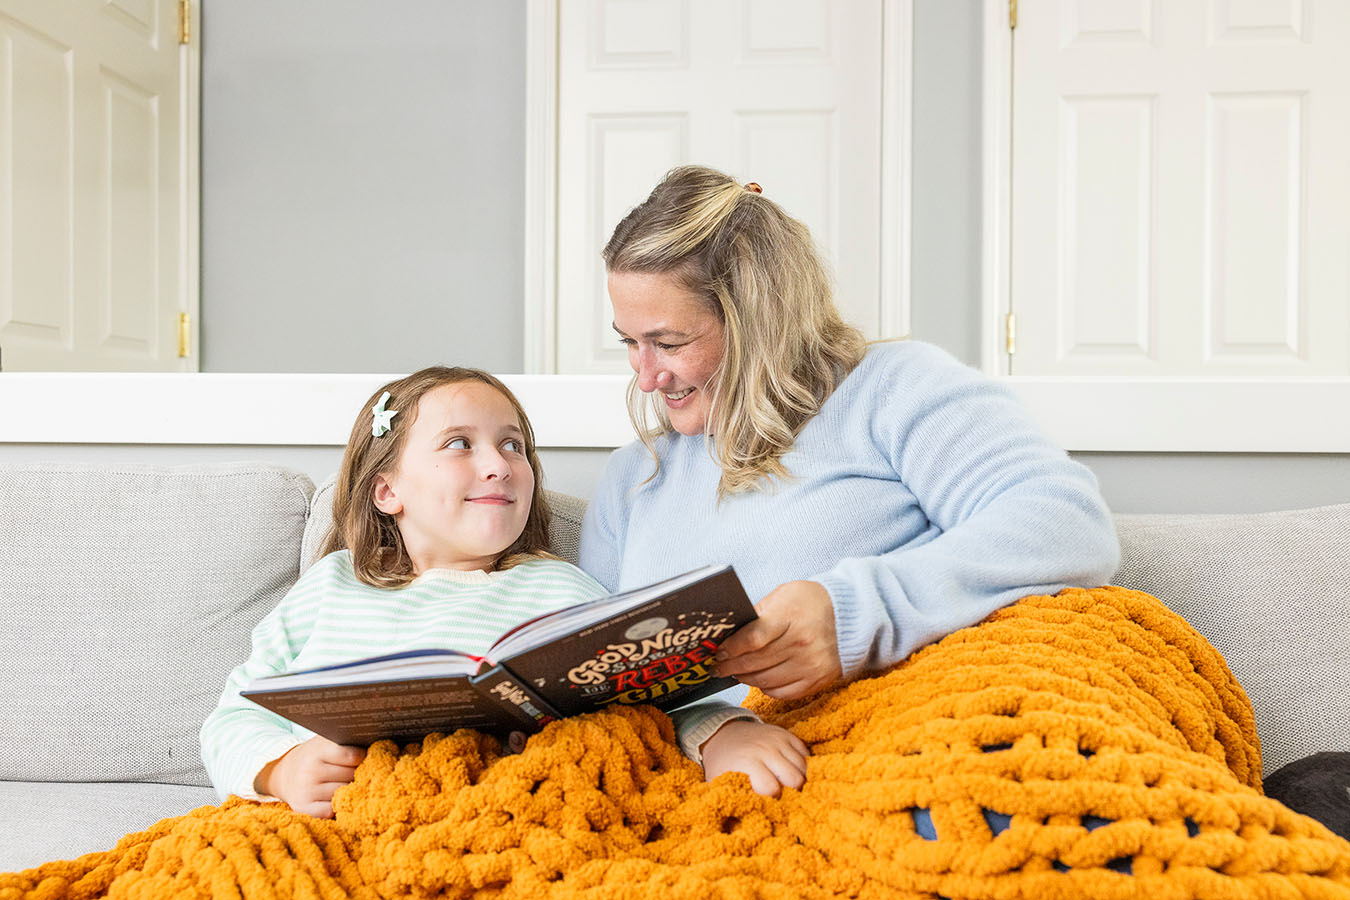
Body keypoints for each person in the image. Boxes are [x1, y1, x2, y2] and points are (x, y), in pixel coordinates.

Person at [579, 165, 1121, 795]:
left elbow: (1067, 524)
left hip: (902, 750)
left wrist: (854, 615)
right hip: (713, 790)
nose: (645, 377)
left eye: (668, 343)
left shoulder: (889, 389)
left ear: (758, 319)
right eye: (629, 343)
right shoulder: (633, 479)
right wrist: (711, 728)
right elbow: (597, 693)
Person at [201, 366, 805, 817]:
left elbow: (648, 699)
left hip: (517, 807)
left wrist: (726, 732)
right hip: (363, 812)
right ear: (388, 491)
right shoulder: (329, 589)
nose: (498, 464)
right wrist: (280, 772)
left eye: (513, 445)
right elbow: (232, 717)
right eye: (460, 444)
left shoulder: (557, 584)